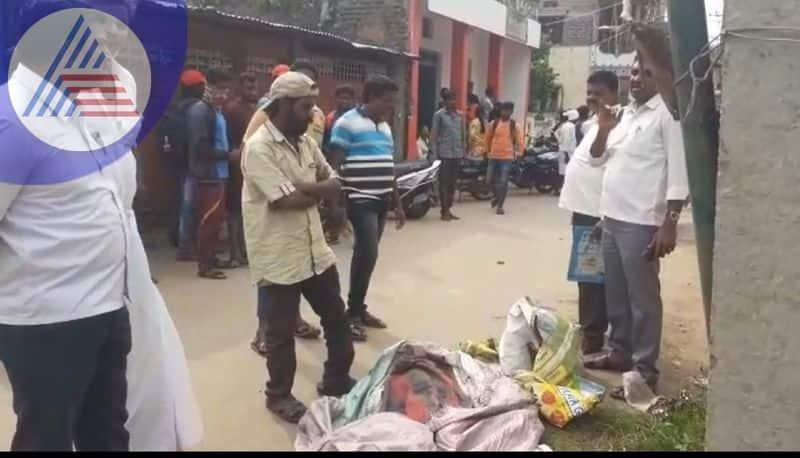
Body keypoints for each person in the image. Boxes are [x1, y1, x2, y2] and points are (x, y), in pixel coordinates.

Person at [0, 0, 202, 450]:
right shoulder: (12, 122)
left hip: (112, 305)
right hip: (46, 320)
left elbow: (114, 204)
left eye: (119, 25)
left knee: (108, 429)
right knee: (46, 436)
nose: (114, 38)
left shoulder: (104, 103)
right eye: (99, 24)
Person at [241, 71, 356, 424]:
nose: (313, 115)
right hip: (278, 255)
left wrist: (310, 188)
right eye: (306, 107)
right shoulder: (258, 148)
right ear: (285, 106)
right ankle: (278, 396)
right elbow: (284, 201)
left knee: (336, 317)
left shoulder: (305, 141)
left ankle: (335, 379)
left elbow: (326, 176)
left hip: (314, 250)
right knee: (279, 336)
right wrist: (322, 191)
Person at [584, 58, 690, 399]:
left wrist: (669, 224)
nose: (638, 79)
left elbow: (678, 172)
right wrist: (602, 127)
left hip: (642, 222)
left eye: (648, 72)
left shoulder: (667, 115)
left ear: (662, 75)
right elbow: (599, 159)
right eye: (633, 72)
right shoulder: (625, 115)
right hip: (612, 218)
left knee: (642, 300)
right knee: (616, 293)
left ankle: (644, 372)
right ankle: (619, 352)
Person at [245, 61, 323, 343]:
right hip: (275, 202)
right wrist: (314, 189)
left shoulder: (314, 116)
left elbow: (322, 163)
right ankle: (264, 333)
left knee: (298, 277)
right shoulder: (262, 122)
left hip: (306, 184)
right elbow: (253, 158)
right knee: (274, 280)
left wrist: (313, 186)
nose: (312, 109)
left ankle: (294, 321)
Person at [329, 75, 406, 341]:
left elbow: (389, 165)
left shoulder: (384, 127)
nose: (390, 106)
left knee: (367, 257)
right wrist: (336, 206)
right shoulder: (346, 123)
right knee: (367, 253)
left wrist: (398, 202)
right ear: (370, 97)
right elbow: (335, 165)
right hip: (360, 199)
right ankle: (351, 316)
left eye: (392, 101)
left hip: (382, 199)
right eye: (386, 101)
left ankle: (358, 309)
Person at [558, 71, 620, 355]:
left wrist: (605, 216)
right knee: (589, 276)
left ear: (613, 93)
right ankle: (593, 330)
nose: (592, 98)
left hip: (597, 213)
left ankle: (593, 335)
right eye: (590, 92)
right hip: (583, 210)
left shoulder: (618, 125)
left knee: (593, 277)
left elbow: (617, 173)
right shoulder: (594, 124)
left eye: (598, 93)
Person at [187, 69, 231, 280]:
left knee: (215, 221)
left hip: (220, 174)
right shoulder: (200, 111)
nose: (223, 94)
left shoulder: (217, 112)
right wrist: (229, 155)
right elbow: (200, 147)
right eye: (219, 89)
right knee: (207, 221)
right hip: (208, 176)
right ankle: (204, 266)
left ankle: (211, 258)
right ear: (209, 87)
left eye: (226, 89)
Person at [222, 71, 260, 268]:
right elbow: (226, 138)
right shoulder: (232, 109)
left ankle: (247, 251)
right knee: (235, 211)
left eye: (253, 86)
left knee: (251, 210)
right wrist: (233, 154)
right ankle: (235, 252)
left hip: (256, 166)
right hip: (237, 167)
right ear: (240, 89)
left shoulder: (260, 110)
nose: (252, 89)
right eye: (247, 86)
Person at [321, 84, 356, 245]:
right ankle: (334, 232)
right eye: (340, 98)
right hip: (333, 162)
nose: (343, 101)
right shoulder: (330, 118)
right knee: (333, 199)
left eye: (346, 98)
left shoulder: (357, 119)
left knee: (351, 200)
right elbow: (325, 140)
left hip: (352, 164)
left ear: (352, 100)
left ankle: (351, 230)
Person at [431, 90, 467, 221]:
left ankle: (449, 208)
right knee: (444, 183)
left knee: (453, 184)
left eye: (454, 99)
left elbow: (463, 135)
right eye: (450, 100)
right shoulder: (439, 115)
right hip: (444, 154)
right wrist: (434, 155)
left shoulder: (460, 116)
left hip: (457, 153)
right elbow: (434, 136)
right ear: (445, 102)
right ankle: (444, 210)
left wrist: (464, 152)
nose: (453, 102)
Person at [485, 102, 523, 215]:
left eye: (508, 110)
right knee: (489, 180)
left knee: (503, 181)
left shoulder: (515, 125)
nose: (505, 112)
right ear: (500, 111)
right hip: (493, 156)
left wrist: (520, 154)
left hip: (507, 157)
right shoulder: (494, 124)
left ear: (511, 112)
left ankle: (500, 206)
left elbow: (520, 141)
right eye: (503, 110)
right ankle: (496, 197)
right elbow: (487, 138)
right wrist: (486, 152)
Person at [555, 110, 578, 196]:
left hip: (563, 150)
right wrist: (566, 152)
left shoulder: (564, 125)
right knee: (567, 172)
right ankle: (563, 190)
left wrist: (560, 141)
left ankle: (559, 189)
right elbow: (568, 140)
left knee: (562, 172)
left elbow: (556, 133)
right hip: (568, 152)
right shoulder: (571, 126)